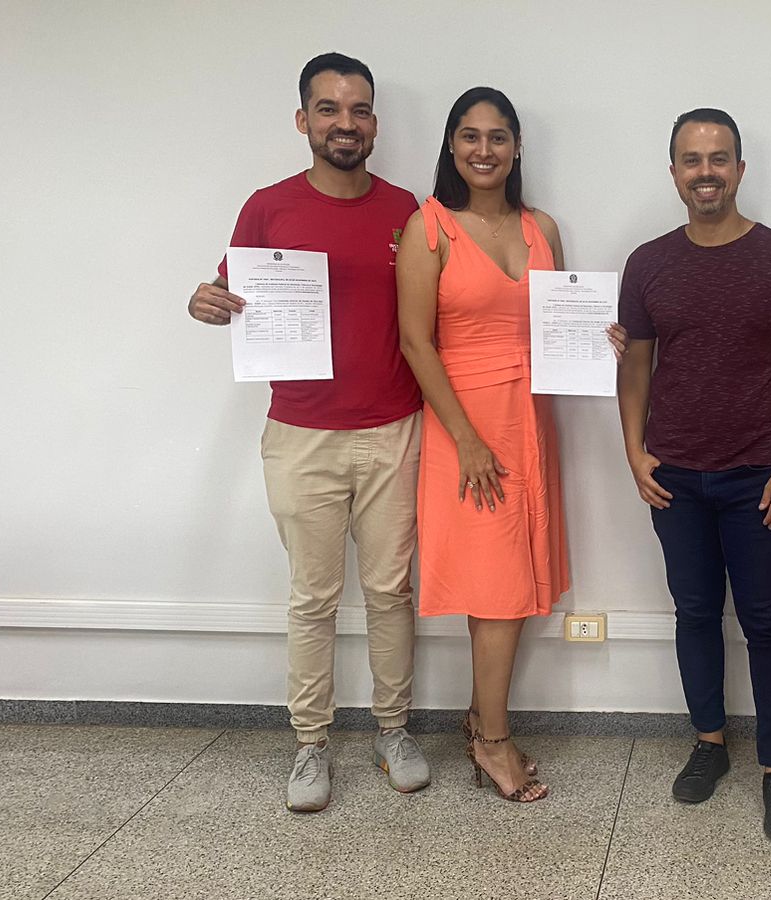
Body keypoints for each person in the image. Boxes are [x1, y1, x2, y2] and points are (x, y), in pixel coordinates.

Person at [186, 52, 430, 812]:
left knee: (391, 591)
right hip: (300, 434)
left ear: (375, 124)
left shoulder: (407, 210)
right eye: (328, 109)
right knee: (313, 597)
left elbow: (447, 313)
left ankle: (393, 731)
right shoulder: (268, 207)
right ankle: (311, 745)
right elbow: (229, 292)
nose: (344, 123)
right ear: (304, 121)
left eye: (358, 110)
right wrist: (207, 300)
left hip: (394, 428)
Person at [396, 87, 624, 803]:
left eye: (498, 137)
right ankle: (491, 738)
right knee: (493, 589)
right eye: (470, 136)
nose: (484, 149)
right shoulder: (427, 227)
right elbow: (414, 341)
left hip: (529, 419)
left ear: (517, 146)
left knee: (519, 581)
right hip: (466, 422)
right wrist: (464, 439)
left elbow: (561, 323)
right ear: (452, 146)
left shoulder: (541, 227)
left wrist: (603, 340)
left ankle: (480, 718)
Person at [616, 108, 771, 843]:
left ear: (740, 170)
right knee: (695, 614)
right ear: (673, 172)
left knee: (769, 625)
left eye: (719, 158)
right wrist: (633, 449)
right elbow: (635, 363)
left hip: (758, 478)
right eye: (690, 159)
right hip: (673, 475)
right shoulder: (647, 263)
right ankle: (709, 742)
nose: (705, 171)